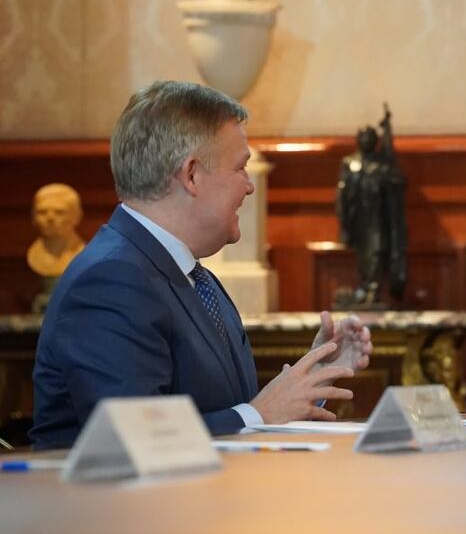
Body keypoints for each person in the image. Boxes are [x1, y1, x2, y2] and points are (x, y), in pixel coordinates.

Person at [31, 80, 374, 450]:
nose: (249, 187)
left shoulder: (196, 277)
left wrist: (315, 377)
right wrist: (259, 413)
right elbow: (136, 441)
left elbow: (227, 414)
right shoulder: (110, 279)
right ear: (191, 174)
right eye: (240, 168)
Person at [335, 103, 407, 306]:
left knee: (376, 252)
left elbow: (394, 175)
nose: (366, 140)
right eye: (363, 136)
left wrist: (387, 130)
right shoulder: (350, 163)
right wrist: (344, 221)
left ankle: (373, 289)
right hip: (358, 218)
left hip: (377, 218)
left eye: (370, 137)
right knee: (363, 256)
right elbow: (342, 195)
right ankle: (366, 286)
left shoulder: (380, 165)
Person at [26, 183, 86, 278]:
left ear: (76, 216)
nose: (50, 218)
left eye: (59, 212)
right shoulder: (33, 255)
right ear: (33, 217)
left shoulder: (84, 255)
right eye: (42, 212)